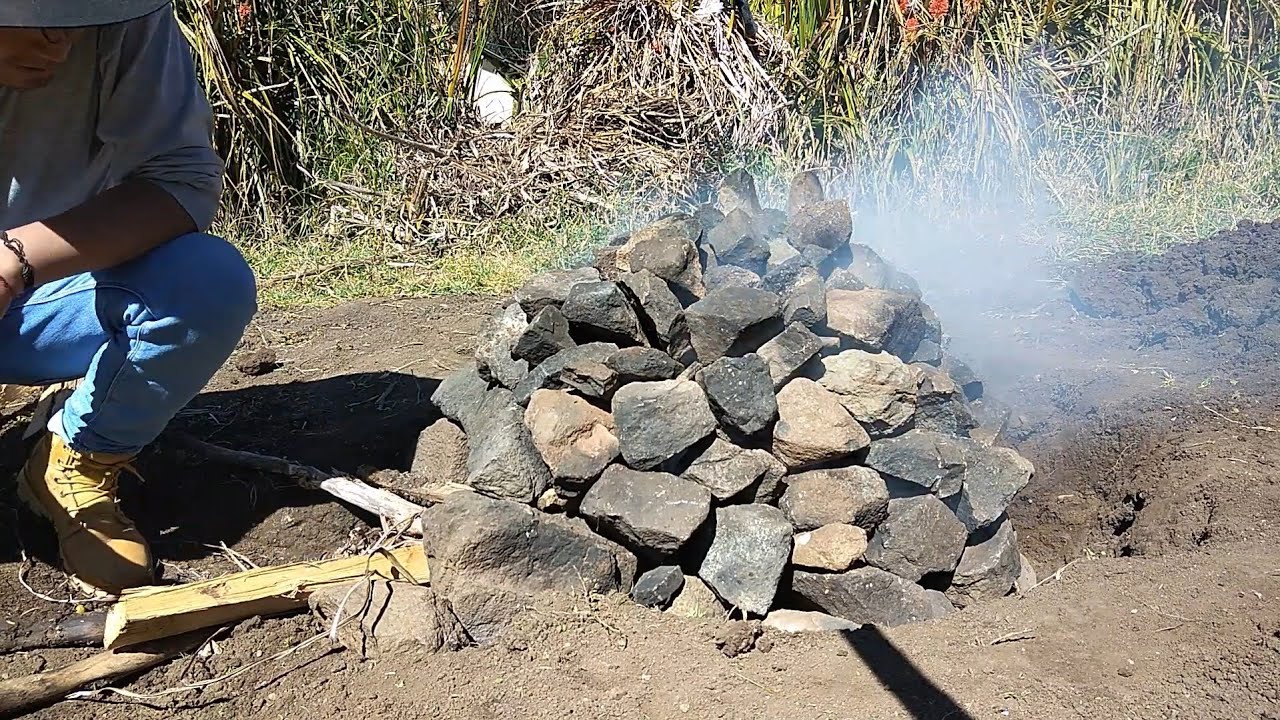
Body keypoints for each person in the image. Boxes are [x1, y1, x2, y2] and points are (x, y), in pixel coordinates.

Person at [0, 2, 257, 595]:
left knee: (206, 282)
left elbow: (180, 181)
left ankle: (78, 454)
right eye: (38, 13)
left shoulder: (128, 18)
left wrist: (15, 260)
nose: (62, 39)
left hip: (43, 296)